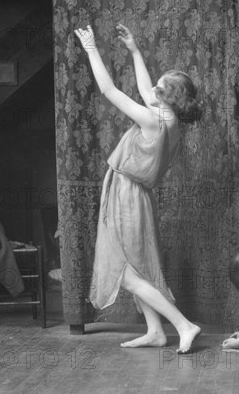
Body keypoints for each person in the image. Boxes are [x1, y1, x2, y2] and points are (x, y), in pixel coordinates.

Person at [74, 23, 202, 353]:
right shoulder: (168, 119)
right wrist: (134, 51)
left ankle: (183, 325)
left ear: (166, 97)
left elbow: (109, 91)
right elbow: (146, 92)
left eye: (159, 87)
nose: (151, 90)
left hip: (127, 195)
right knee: (137, 267)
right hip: (131, 194)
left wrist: (91, 49)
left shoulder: (152, 120)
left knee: (127, 273)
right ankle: (155, 331)